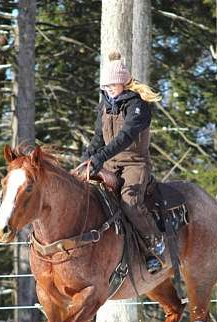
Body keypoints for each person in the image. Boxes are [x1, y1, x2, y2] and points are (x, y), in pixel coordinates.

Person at [82, 51, 164, 274]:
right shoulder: (105, 106)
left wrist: (100, 157)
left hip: (134, 164)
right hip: (110, 164)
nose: (108, 88)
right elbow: (99, 138)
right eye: (106, 85)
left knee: (129, 201)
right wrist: (87, 158)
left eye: (112, 85)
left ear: (123, 83)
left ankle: (154, 246)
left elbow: (125, 137)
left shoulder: (138, 106)